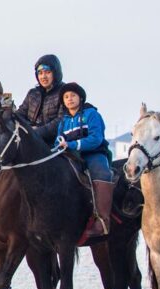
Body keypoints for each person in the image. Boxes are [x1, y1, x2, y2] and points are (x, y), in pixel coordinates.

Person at [39, 83, 113, 244]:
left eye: (72, 95)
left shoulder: (91, 114)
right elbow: (59, 141)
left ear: (80, 97)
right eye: (66, 97)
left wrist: (72, 145)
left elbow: (96, 138)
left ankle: (102, 220)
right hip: (71, 156)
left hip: (93, 153)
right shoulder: (63, 121)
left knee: (101, 172)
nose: (69, 99)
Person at [17, 55, 65, 127]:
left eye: (47, 72)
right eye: (40, 73)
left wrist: (38, 131)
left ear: (55, 73)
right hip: (29, 135)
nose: (43, 77)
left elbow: (61, 120)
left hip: (52, 137)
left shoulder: (64, 92)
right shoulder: (32, 93)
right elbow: (20, 115)